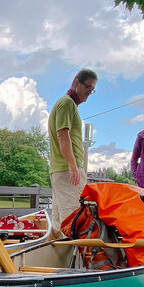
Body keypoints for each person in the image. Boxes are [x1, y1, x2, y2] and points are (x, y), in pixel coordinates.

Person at [48, 69, 97, 235]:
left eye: (92, 90)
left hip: (61, 170)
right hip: (67, 170)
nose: (89, 93)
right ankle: (72, 259)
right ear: (76, 82)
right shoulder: (67, 103)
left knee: (60, 220)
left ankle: (59, 259)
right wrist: (73, 167)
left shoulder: (68, 104)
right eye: (87, 88)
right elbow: (63, 135)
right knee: (73, 218)